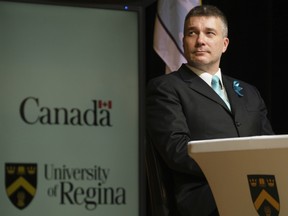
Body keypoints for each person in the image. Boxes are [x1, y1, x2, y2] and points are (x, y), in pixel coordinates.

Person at [146, 4, 274, 216]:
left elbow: (269, 147)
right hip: (207, 198)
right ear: (183, 41)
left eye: (209, 33)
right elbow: (178, 151)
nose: (200, 41)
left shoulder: (249, 92)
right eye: (192, 33)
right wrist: (238, 172)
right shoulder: (166, 88)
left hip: (260, 192)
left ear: (224, 44)